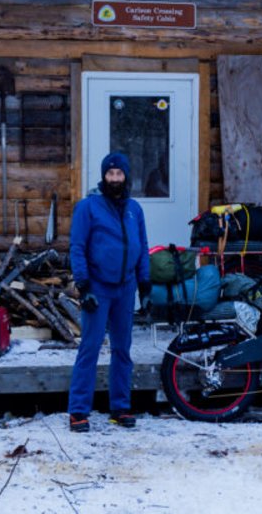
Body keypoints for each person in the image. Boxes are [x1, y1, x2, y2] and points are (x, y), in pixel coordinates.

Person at [67, 152, 151, 433]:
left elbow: (142, 249)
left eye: (119, 174)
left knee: (122, 350)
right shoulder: (88, 207)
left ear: (126, 176)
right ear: (103, 176)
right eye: (110, 174)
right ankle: (79, 411)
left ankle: (120, 407)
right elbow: (77, 247)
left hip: (126, 288)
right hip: (98, 288)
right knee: (90, 349)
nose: (114, 178)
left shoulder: (134, 209)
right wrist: (84, 286)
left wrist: (145, 286)